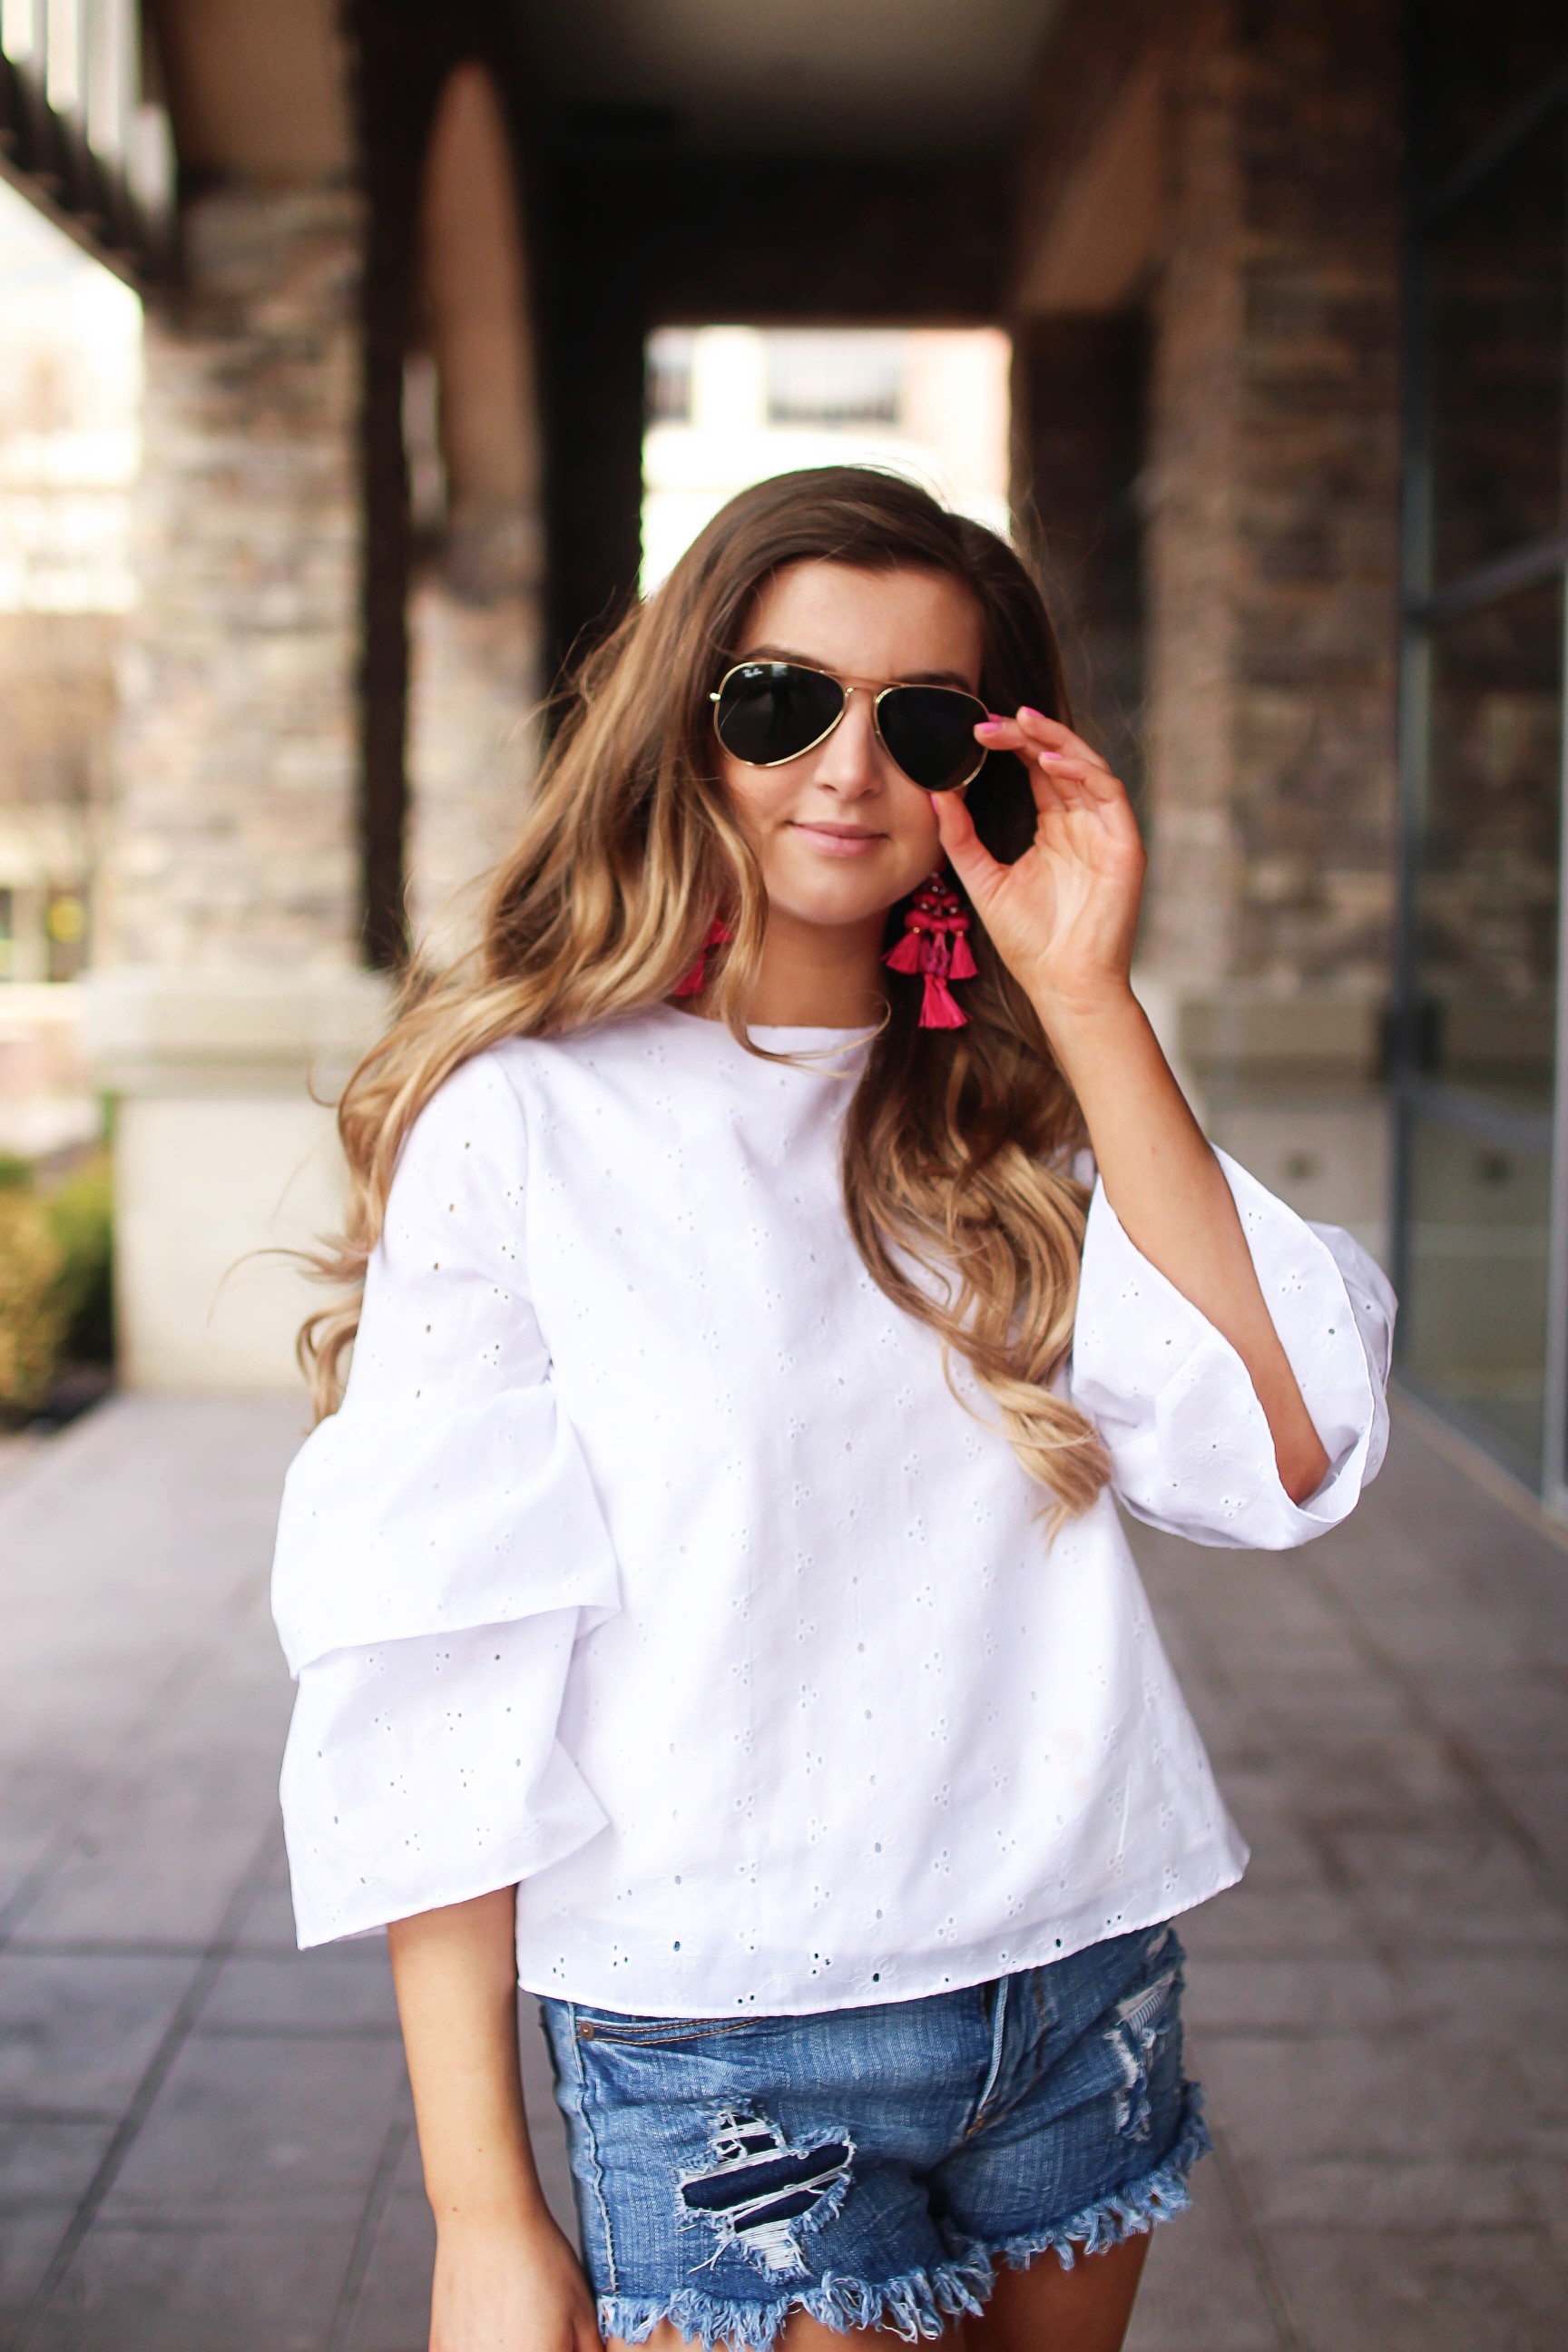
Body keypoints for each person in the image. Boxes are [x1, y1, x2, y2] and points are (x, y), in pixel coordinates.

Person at [270, 466, 1393, 2352]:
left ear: (994, 761)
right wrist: (483, 2210)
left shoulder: (1027, 1109)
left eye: (925, 720)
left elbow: (1288, 1451)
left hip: (1076, 1971)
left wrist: (1089, 1000)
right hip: (727, 2028)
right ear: (686, 721)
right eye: (781, 701)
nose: (849, 768)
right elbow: (437, 1670)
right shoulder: (528, 1125)